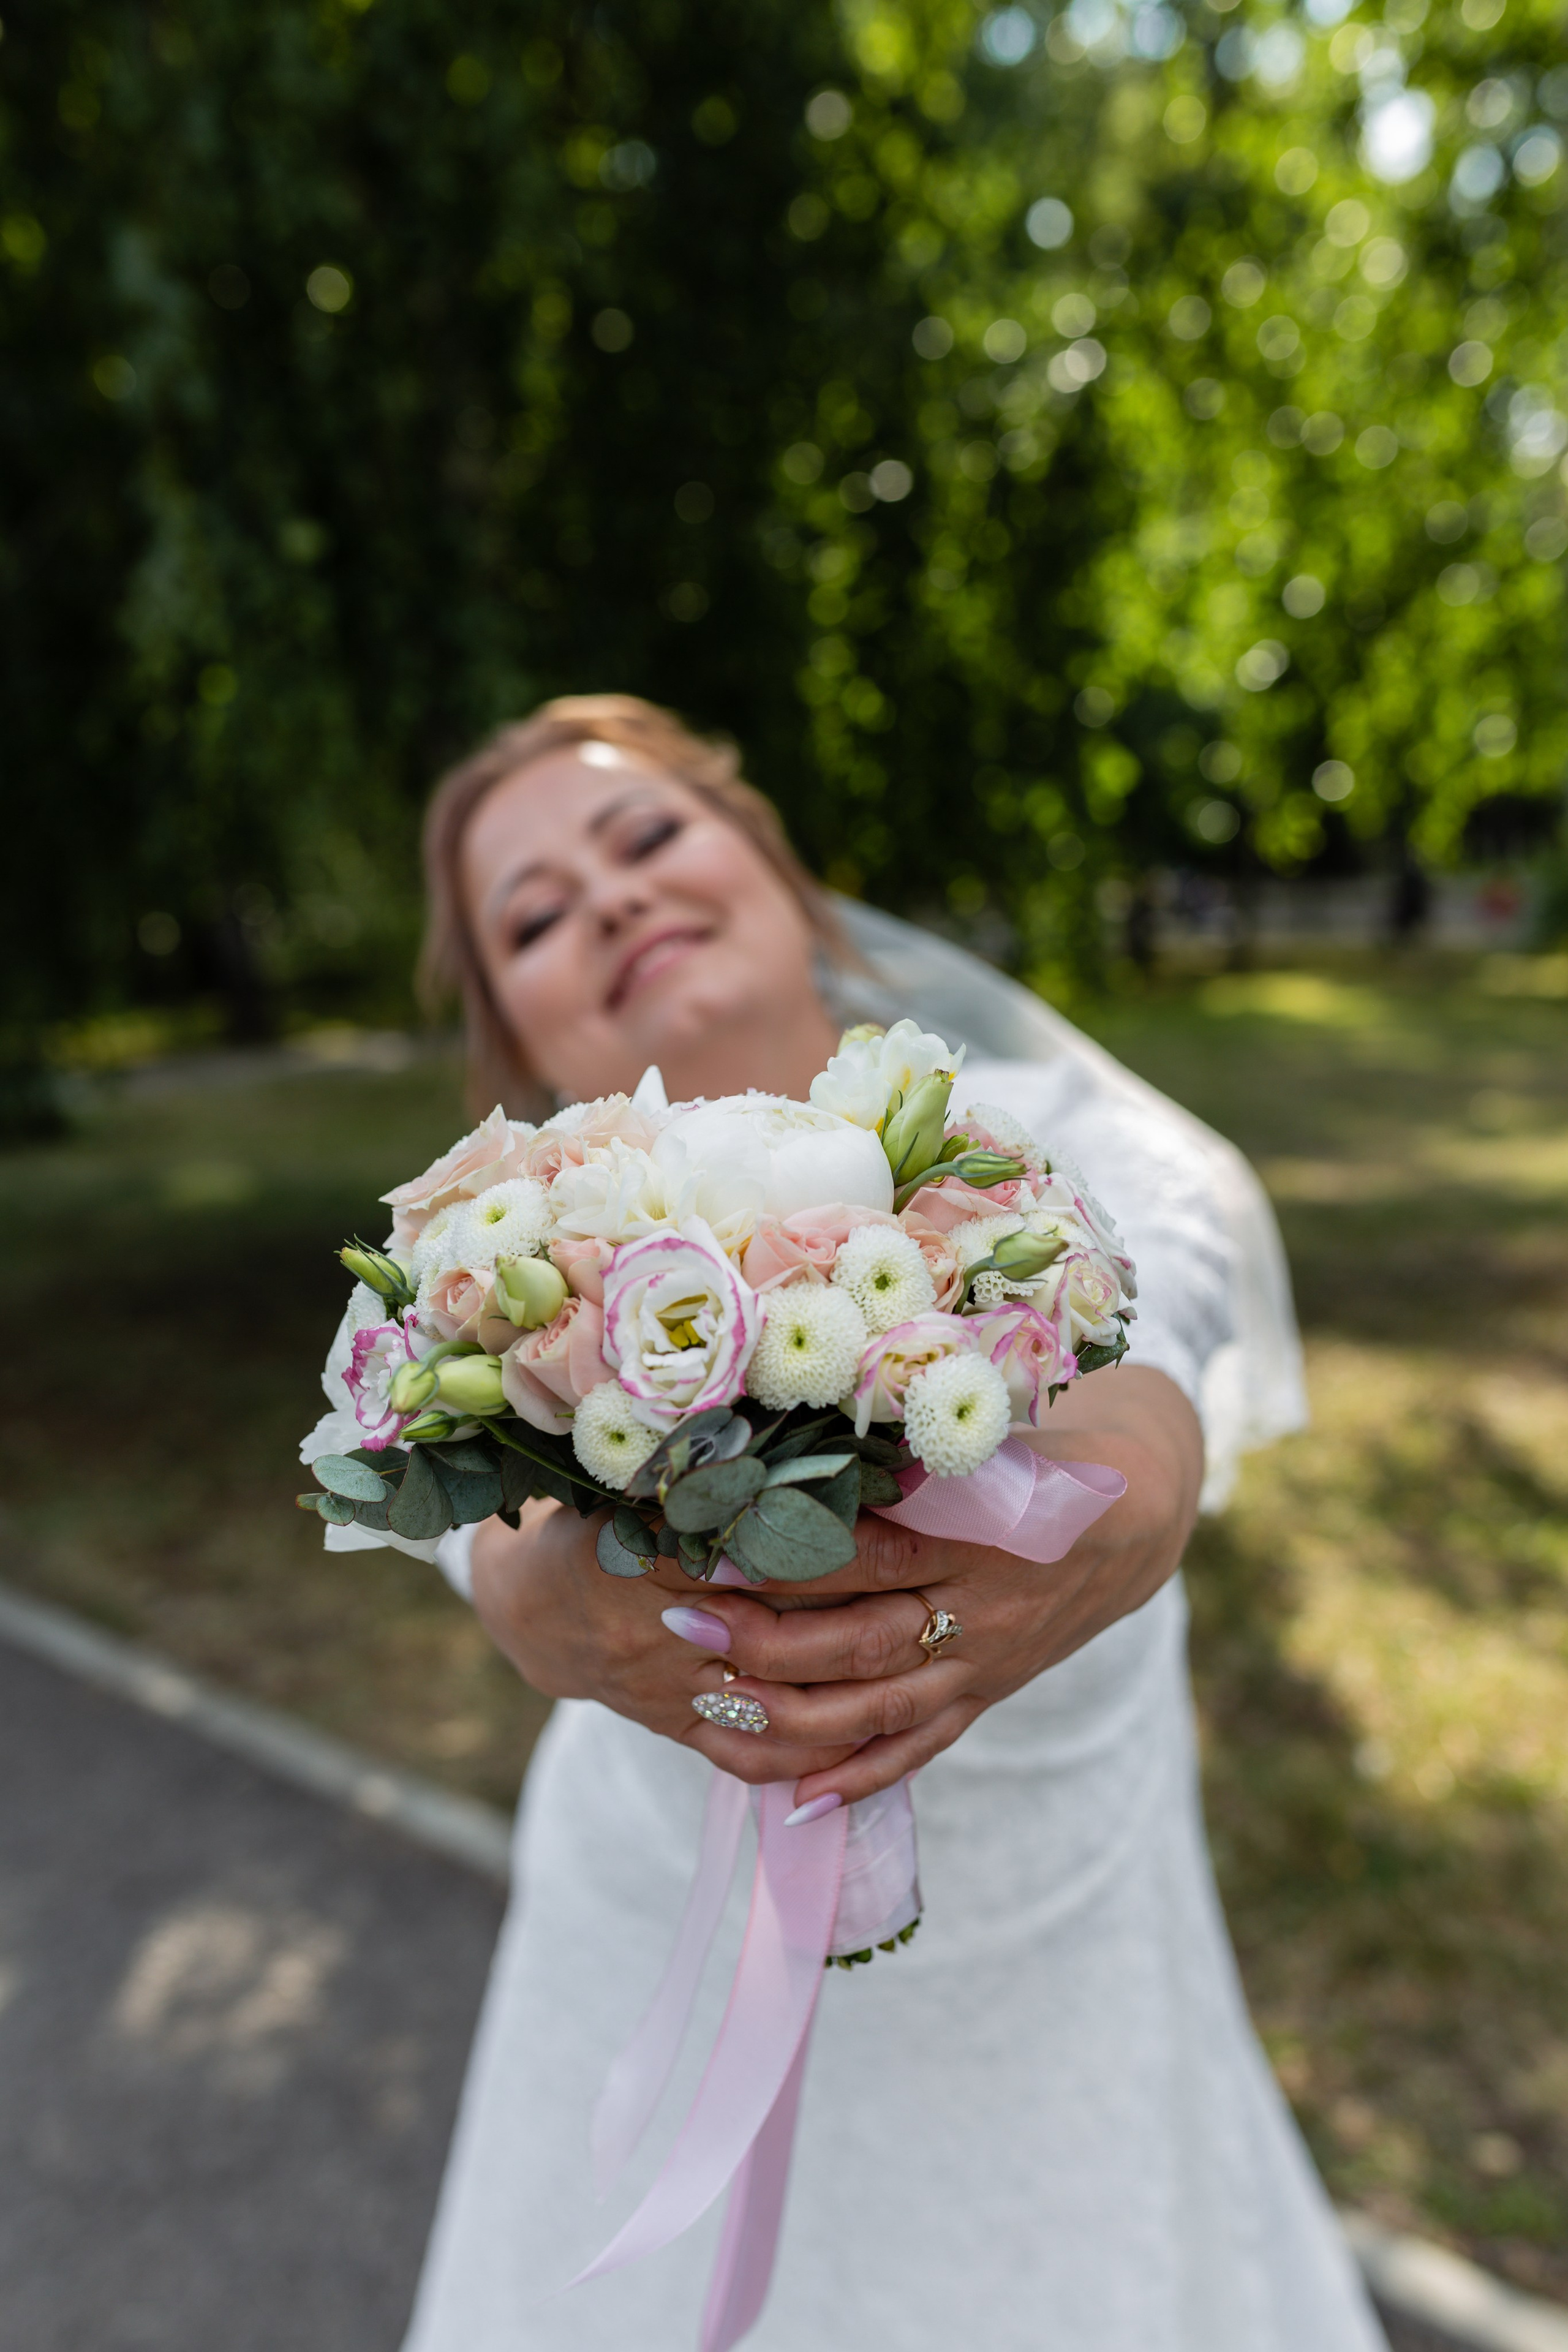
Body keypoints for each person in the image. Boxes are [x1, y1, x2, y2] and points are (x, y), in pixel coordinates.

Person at [379, 695, 1386, 2351]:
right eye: (536, 916)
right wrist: (531, 1593)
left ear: (780, 877)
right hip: (650, 1936)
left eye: (646, 838)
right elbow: (457, 1505)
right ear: (512, 1034)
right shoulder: (504, 1255)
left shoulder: (1066, 1139)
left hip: (1045, 1949)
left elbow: (1167, 1329)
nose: (612, 901)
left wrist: (1130, 1494)